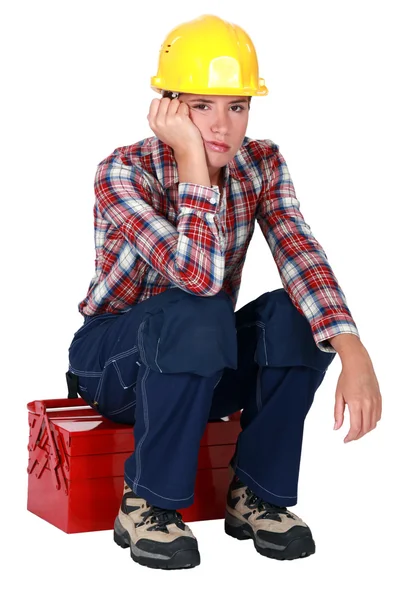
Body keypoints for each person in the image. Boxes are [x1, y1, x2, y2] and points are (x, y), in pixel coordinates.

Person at [67, 14, 382, 570]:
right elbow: (196, 277)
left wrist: (351, 346)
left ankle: (256, 492)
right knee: (201, 303)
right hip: (113, 367)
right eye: (201, 106)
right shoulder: (123, 172)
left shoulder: (262, 163)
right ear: (168, 107)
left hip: (199, 363)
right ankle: (148, 502)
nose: (222, 126)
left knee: (294, 315)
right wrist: (192, 164)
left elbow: (300, 253)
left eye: (236, 107)